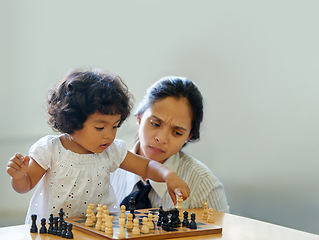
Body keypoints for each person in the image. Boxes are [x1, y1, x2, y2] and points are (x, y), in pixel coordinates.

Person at [6, 68, 190, 223]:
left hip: (98, 228)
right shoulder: (51, 150)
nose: (109, 135)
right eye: (100, 127)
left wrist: (168, 175)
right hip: (54, 231)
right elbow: (25, 185)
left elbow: (146, 166)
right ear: (73, 121)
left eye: (115, 126)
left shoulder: (111, 151)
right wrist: (20, 176)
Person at [111, 76, 229, 212]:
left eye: (177, 133)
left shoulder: (204, 185)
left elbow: (223, 232)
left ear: (189, 136)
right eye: (155, 124)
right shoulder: (107, 166)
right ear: (139, 117)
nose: (161, 138)